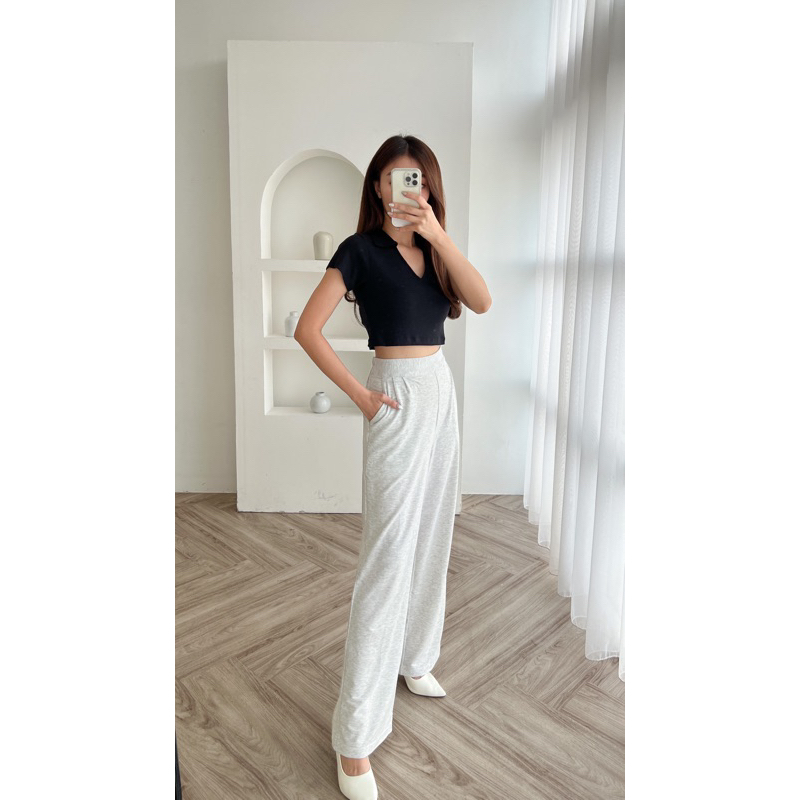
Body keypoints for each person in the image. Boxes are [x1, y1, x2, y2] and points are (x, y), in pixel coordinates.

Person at [294, 134, 492, 800]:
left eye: (419, 179)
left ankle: (415, 657)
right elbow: (308, 329)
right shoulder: (359, 250)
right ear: (378, 185)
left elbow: (482, 300)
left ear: (430, 187)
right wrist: (361, 397)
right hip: (395, 396)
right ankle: (353, 740)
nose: (408, 188)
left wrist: (438, 234)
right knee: (386, 560)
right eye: (396, 178)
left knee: (434, 534)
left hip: (440, 390)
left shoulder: (436, 251)